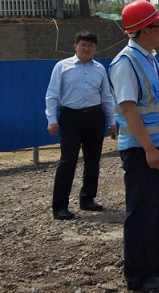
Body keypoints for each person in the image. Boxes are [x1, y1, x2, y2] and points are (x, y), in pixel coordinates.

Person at [109, 1, 159, 293]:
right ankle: (138, 275)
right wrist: (149, 148)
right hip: (143, 150)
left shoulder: (149, 57)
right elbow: (128, 109)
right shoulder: (126, 63)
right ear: (143, 30)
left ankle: (157, 260)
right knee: (141, 210)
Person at [45, 30, 117, 220]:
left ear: (95, 48)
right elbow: (52, 94)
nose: (87, 48)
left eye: (91, 45)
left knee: (93, 160)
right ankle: (60, 206)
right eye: (83, 44)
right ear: (75, 46)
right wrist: (51, 119)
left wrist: (112, 121)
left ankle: (87, 198)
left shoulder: (100, 69)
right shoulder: (62, 66)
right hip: (70, 118)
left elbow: (106, 96)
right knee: (68, 161)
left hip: (94, 116)